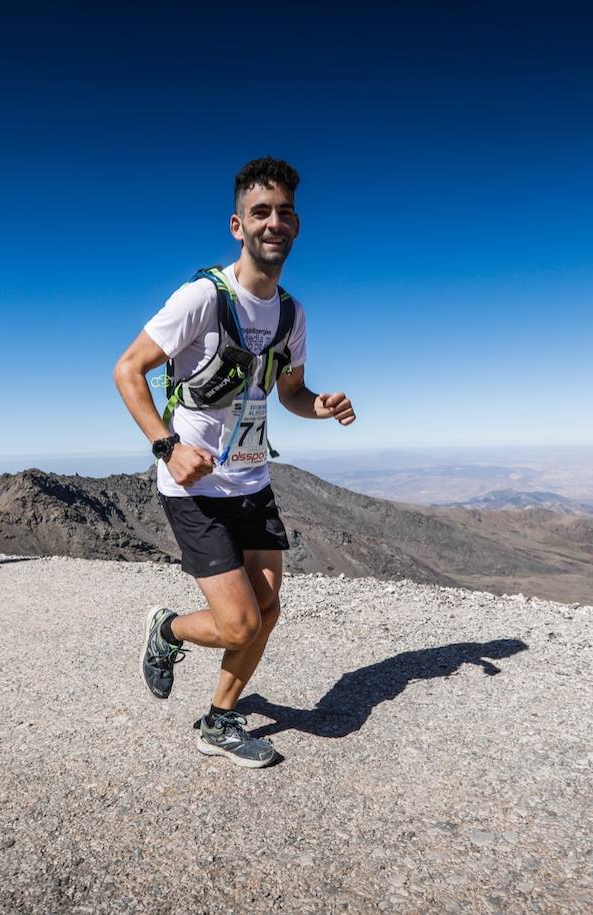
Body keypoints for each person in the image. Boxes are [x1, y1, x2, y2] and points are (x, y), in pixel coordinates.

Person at [113, 157, 355, 768]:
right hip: (193, 489)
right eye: (260, 212)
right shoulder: (201, 299)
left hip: (252, 479)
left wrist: (319, 405)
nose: (274, 223)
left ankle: (219, 720)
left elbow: (290, 394)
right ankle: (167, 630)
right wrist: (167, 445)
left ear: (297, 224)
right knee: (242, 623)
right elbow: (128, 369)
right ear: (236, 224)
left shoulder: (293, 315)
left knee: (266, 611)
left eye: (284, 212)